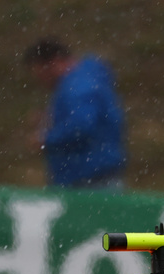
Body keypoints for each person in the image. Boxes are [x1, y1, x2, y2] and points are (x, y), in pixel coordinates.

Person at [24, 39, 126, 190]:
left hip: (88, 180)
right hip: (95, 175)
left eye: (40, 73)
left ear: (54, 63)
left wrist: (46, 140)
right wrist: (51, 117)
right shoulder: (85, 80)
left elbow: (81, 124)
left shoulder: (77, 86)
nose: (41, 81)